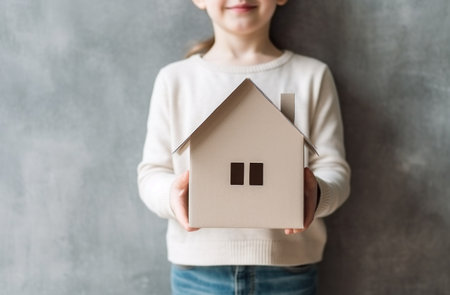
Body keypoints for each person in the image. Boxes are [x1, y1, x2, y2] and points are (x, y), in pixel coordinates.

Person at [137, 0, 351, 294]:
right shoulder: (175, 81)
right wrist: (172, 196)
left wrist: (317, 196)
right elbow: (152, 172)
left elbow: (334, 169)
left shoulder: (311, 76)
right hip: (197, 272)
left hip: (288, 270)